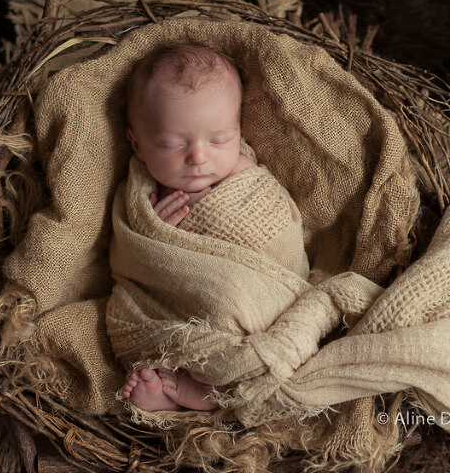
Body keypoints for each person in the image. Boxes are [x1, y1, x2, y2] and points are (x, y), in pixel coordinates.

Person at [118, 42, 309, 412]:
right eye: (173, 144)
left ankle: (206, 395)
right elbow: (132, 257)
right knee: (130, 317)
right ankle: (182, 390)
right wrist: (156, 233)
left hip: (262, 298)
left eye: (220, 140)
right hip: (181, 302)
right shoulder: (140, 194)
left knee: (229, 306)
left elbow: (280, 233)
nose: (200, 158)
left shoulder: (244, 173)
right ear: (137, 144)